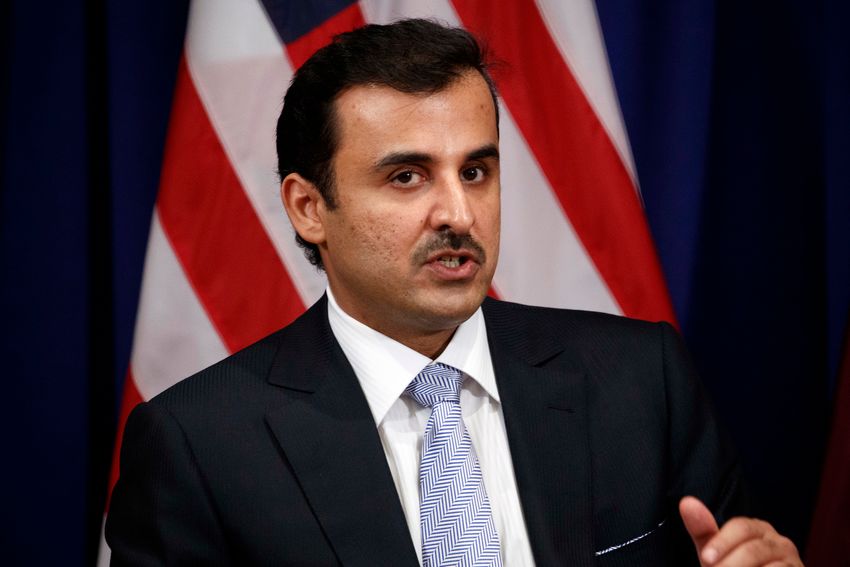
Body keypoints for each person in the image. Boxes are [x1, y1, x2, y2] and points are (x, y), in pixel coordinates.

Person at [106, 18, 801, 566]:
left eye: (475, 171)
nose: (459, 214)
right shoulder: (196, 446)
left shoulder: (641, 378)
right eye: (407, 176)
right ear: (308, 207)